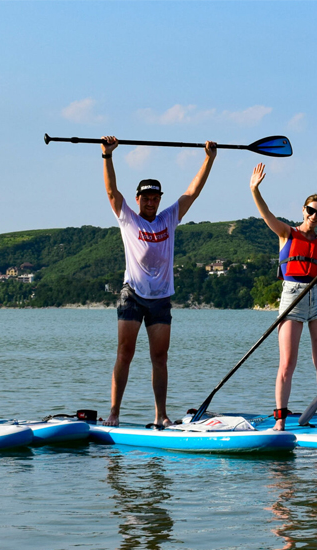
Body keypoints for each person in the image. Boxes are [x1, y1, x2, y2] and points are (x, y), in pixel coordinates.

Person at [100, 135, 217, 427]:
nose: (151, 203)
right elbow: (113, 193)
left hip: (161, 298)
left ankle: (160, 415)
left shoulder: (168, 218)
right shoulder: (129, 218)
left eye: (155, 198)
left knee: (160, 358)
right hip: (133, 295)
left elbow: (192, 192)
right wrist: (107, 155)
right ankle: (114, 413)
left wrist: (209, 158)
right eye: (146, 198)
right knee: (125, 353)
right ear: (138, 199)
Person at [249, 163, 317, 431]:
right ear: (303, 210)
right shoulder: (287, 233)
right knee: (287, 364)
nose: (315, 215)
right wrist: (254, 189)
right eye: (311, 210)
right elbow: (266, 214)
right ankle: (280, 419)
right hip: (291, 296)